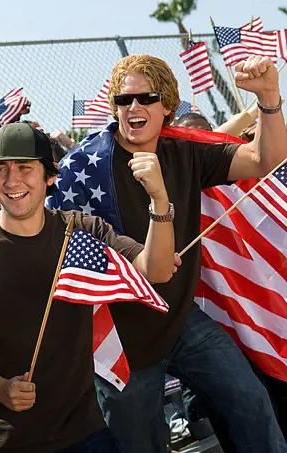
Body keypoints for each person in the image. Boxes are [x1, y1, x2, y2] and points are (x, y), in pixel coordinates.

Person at [48, 54, 287, 452]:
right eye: (124, 101)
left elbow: (266, 159)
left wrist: (268, 97)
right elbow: (136, 269)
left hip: (180, 320)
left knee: (251, 403)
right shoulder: (82, 168)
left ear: (168, 106)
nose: (134, 107)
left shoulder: (184, 150)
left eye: (146, 97)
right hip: (122, 340)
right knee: (143, 445)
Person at [0, 121, 176, 452]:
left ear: (50, 176)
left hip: (83, 430)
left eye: (25, 167)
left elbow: (158, 269)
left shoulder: (79, 230)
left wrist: (159, 198)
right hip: (4, 439)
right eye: (0, 170)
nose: (12, 180)